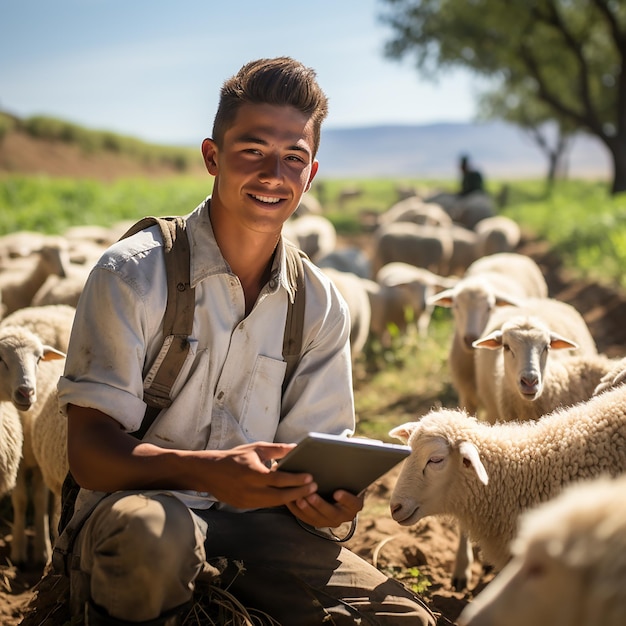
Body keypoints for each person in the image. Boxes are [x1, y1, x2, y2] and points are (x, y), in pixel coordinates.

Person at [55, 57, 436, 626]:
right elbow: (88, 454)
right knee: (154, 544)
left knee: (404, 620)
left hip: (261, 526)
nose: (273, 174)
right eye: (253, 150)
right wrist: (207, 471)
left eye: (294, 158)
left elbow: (315, 454)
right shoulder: (132, 274)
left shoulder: (320, 303)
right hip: (139, 515)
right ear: (213, 156)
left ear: (310, 175)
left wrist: (329, 504)